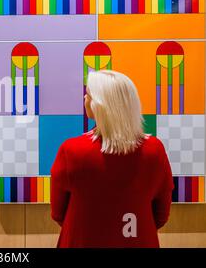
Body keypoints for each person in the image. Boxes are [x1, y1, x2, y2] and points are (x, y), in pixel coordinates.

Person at [51, 70, 174, 248]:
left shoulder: (72, 150)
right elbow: (161, 215)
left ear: (99, 105)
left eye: (88, 95)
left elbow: (58, 213)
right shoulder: (155, 150)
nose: (85, 100)